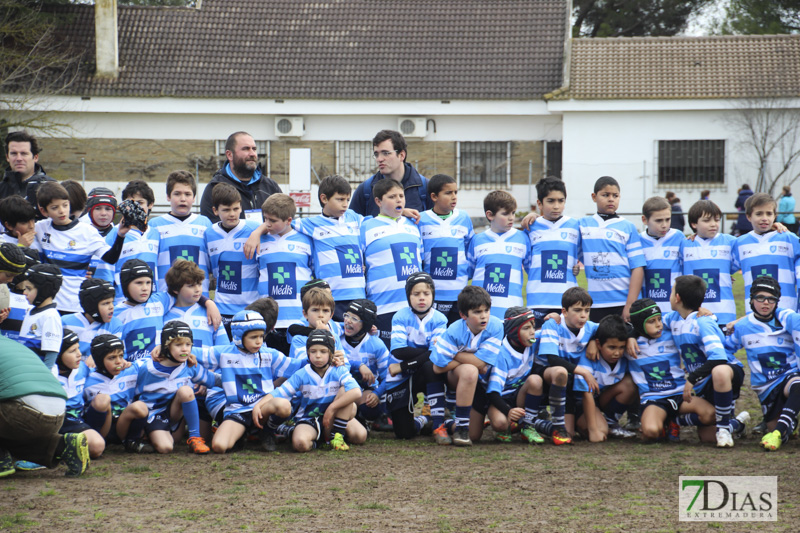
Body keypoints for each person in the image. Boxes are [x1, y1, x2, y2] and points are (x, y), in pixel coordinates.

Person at [248, 175, 365, 322]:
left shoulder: (354, 218)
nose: (345, 204)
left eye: (347, 199)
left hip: (358, 294)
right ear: (324, 199)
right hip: (331, 297)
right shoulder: (310, 225)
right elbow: (280, 220)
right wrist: (257, 232)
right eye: (340, 199)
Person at [664, 275, 748, 448]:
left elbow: (719, 358)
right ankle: (737, 423)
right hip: (704, 381)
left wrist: (691, 379)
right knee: (708, 437)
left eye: (672, 291)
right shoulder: (673, 319)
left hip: (726, 373)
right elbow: (648, 323)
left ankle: (724, 428)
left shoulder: (702, 323)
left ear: (677, 297)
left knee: (720, 370)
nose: (670, 295)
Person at [254, 329, 366, 452]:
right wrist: (258, 406)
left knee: (360, 435)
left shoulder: (339, 369)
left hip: (333, 415)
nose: (318, 355)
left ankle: (335, 437)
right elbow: (278, 393)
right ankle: (303, 435)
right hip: (308, 419)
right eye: (313, 351)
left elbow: (356, 392)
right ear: (308, 353)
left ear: (331, 353)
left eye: (323, 351)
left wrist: (331, 408)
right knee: (301, 444)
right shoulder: (302, 374)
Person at [208, 310, 304, 454]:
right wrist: (164, 350)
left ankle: (267, 431)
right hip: (237, 411)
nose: (259, 341)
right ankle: (243, 434)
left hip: (262, 409)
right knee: (219, 446)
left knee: (283, 405)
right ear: (239, 337)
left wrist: (325, 357)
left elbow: (296, 365)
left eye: (261, 336)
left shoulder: (268, 354)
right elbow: (192, 354)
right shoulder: (223, 353)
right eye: (253, 337)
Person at [722, 276, 800, 451]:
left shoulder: (787, 320)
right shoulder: (743, 326)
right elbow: (726, 349)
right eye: (760, 298)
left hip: (788, 377)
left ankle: (778, 432)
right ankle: (785, 424)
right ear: (751, 300)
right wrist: (735, 367)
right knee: (781, 429)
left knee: (798, 385)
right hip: (765, 388)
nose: (766, 303)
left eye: (771, 299)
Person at [626, 298, 715, 443]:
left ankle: (676, 421)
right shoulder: (629, 344)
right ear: (639, 325)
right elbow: (607, 330)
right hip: (654, 399)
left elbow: (688, 314)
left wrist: (702, 311)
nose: (658, 325)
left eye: (659, 319)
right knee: (651, 432)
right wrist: (630, 335)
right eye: (651, 322)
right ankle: (662, 423)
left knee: (710, 415)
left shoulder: (671, 331)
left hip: (680, 395)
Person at [32, 181, 129, 313]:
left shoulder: (87, 232)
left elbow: (111, 258)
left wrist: (121, 235)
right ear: (44, 211)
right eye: (55, 208)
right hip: (47, 306)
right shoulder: (40, 228)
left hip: (77, 306)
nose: (62, 211)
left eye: (65, 205)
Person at [0, 335, 90, 478]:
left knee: (13, 423)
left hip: (24, 411)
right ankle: (63, 446)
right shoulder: (12, 344)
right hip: (58, 411)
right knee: (15, 433)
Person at [430, 285, 503, 446]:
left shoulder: (496, 326)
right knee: (470, 370)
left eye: (486, 310)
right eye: (477, 312)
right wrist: (474, 362)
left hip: (482, 385)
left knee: (475, 435)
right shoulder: (454, 331)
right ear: (463, 315)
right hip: (456, 379)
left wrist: (455, 354)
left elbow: (482, 364)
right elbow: (437, 367)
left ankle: (450, 422)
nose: (484, 316)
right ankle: (461, 428)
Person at [134, 320, 220, 454]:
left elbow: (213, 380)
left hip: (175, 415)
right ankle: (146, 434)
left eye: (188, 344)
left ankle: (195, 437)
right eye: (178, 345)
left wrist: (237, 379)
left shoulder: (189, 365)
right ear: (166, 347)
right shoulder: (146, 367)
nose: (185, 349)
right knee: (166, 448)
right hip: (154, 415)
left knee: (186, 391)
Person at [359, 178, 423, 345]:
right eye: (392, 196)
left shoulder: (413, 224)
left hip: (413, 306)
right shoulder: (366, 226)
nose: (399, 200)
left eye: (401, 196)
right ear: (378, 201)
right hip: (383, 307)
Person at [536, 287, 600, 445]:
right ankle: (531, 421)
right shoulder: (553, 324)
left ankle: (541, 425)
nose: (583, 315)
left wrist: (594, 340)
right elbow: (552, 359)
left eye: (587, 310)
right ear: (564, 311)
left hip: (569, 383)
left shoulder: (590, 328)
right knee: (561, 371)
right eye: (577, 310)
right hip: (544, 377)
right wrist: (583, 372)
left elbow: (616, 328)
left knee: (570, 434)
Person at [580, 176, 645, 322]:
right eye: (605, 195)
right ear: (594, 197)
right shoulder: (582, 225)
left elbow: (638, 267)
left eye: (615, 196)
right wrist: (534, 215)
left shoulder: (628, 227)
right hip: (596, 303)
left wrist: (630, 304)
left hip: (623, 302)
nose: (611, 199)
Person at [390, 272, 446, 440]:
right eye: (416, 294)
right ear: (408, 296)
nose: (422, 298)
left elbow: (436, 356)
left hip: (416, 370)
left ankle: (438, 424)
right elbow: (399, 351)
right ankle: (423, 420)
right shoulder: (400, 316)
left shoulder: (440, 319)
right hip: (403, 377)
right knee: (404, 434)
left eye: (426, 293)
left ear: (433, 296)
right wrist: (429, 352)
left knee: (432, 366)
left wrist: (402, 365)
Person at [478, 307, 545, 444]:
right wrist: (508, 411)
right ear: (514, 331)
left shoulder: (532, 341)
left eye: (533, 326)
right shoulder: (501, 354)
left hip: (520, 394)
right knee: (500, 424)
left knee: (535, 380)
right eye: (526, 328)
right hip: (500, 398)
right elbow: (493, 393)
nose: (532, 332)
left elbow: (554, 331)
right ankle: (507, 424)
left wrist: (556, 318)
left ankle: (529, 426)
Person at [257, 193, 313, 353]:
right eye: (265, 219)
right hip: (268, 320)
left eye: (272, 221)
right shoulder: (258, 240)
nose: (267, 224)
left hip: (298, 318)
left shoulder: (305, 240)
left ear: (289, 220)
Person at [204, 183, 261, 337]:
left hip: (250, 308)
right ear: (215, 211)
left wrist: (258, 232)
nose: (232, 214)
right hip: (222, 308)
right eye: (226, 210)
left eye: (236, 209)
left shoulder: (254, 228)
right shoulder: (209, 233)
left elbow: (275, 225)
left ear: (241, 208)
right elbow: (214, 270)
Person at [418, 174, 474, 325]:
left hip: (459, 294)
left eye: (456, 192)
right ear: (434, 196)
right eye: (448, 193)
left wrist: (465, 273)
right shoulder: (421, 220)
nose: (454, 197)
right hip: (434, 294)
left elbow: (470, 249)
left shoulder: (463, 217)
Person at [82, 334, 153, 453]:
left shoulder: (131, 370)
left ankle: (131, 442)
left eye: (121, 356)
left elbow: (157, 359)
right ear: (99, 359)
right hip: (100, 425)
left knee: (140, 406)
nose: (118, 361)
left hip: (122, 424)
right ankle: (94, 443)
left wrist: (160, 348)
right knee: (102, 400)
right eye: (112, 358)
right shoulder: (87, 377)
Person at [525, 176, 580, 328]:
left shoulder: (575, 226)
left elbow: (583, 254)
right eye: (550, 201)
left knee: (565, 346)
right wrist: (532, 216)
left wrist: (575, 267)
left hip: (566, 300)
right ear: (539, 203)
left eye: (560, 201)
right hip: (538, 300)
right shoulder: (530, 227)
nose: (556, 206)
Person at [572, 315, 637, 441]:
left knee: (630, 383)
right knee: (601, 432)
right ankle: (580, 423)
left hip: (601, 398)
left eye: (621, 347)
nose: (617, 353)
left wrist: (631, 338)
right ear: (598, 344)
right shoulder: (588, 358)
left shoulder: (625, 356)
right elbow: (586, 394)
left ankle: (611, 422)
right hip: (581, 402)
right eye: (612, 347)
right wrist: (593, 430)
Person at [467, 190, 530, 321]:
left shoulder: (523, 238)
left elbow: (532, 269)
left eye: (513, 213)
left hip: (511, 313)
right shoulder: (477, 240)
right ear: (490, 215)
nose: (511, 217)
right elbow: (468, 271)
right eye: (505, 214)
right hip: (482, 315)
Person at [732, 192, 800, 312]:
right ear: (748, 216)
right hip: (754, 314)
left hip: (786, 311)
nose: (764, 218)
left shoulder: (788, 239)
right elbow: (724, 266)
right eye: (759, 214)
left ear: (775, 216)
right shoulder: (740, 243)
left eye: (769, 213)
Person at [149, 171, 213, 296]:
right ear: (168, 196)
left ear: (194, 197)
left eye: (187, 194)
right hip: (165, 299)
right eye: (177, 194)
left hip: (198, 300)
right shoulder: (155, 225)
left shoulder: (205, 224)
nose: (182, 199)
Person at [201, 131, 282, 224]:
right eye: (246, 149)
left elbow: (284, 221)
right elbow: (211, 228)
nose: (252, 154)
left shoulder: (270, 187)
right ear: (229, 155)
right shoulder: (214, 188)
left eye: (254, 149)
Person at [350, 130, 431, 220]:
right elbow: (351, 225)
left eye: (386, 153)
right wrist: (399, 213)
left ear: (401, 155)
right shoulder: (366, 190)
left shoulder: (426, 188)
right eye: (376, 154)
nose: (379, 159)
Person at [680, 200, 737, 326]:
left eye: (716, 220)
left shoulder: (731, 242)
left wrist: (774, 226)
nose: (713, 224)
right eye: (707, 221)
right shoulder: (684, 244)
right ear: (694, 224)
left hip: (724, 314)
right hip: (694, 315)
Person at [55, 330, 106, 459]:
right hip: (55, 420)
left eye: (78, 348)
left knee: (97, 445)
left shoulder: (82, 368)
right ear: (57, 354)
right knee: (96, 445)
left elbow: (105, 370)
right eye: (72, 351)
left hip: (78, 418)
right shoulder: (47, 374)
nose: (79, 354)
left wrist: (125, 365)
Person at [110, 181, 160, 304]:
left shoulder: (155, 234)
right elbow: (106, 272)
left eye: (140, 203)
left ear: (150, 205)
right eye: (131, 203)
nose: (135, 207)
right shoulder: (114, 234)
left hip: (150, 302)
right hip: (123, 303)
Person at [341, 299, 390, 426]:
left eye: (355, 318)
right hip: (340, 387)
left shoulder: (376, 344)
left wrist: (377, 394)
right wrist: (359, 365)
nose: (348, 320)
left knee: (369, 409)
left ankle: (366, 417)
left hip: (365, 389)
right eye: (346, 315)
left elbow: (389, 376)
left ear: (366, 324)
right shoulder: (337, 338)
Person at [164, 260, 229, 348]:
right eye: (191, 286)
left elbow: (223, 348)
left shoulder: (211, 313)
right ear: (175, 289)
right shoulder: (164, 315)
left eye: (199, 284)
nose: (197, 289)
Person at [639, 196, 684, 314]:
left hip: (675, 311)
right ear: (644, 220)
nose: (664, 225)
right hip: (649, 311)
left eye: (668, 219)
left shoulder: (678, 237)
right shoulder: (638, 241)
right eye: (658, 221)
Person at [61, 278, 124, 361]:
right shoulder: (65, 322)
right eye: (106, 303)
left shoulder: (115, 324)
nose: (112, 307)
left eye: (112, 302)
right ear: (91, 306)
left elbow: (115, 354)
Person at [16, 263, 63, 369]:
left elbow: (51, 356)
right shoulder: (30, 312)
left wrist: (42, 380)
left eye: (29, 289)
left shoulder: (50, 316)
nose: (24, 293)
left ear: (44, 290)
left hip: (36, 377)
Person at [0, 131, 55, 214]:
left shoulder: (52, 188)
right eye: (14, 153)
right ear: (7, 157)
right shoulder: (1, 189)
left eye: (24, 153)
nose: (19, 158)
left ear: (35, 157)